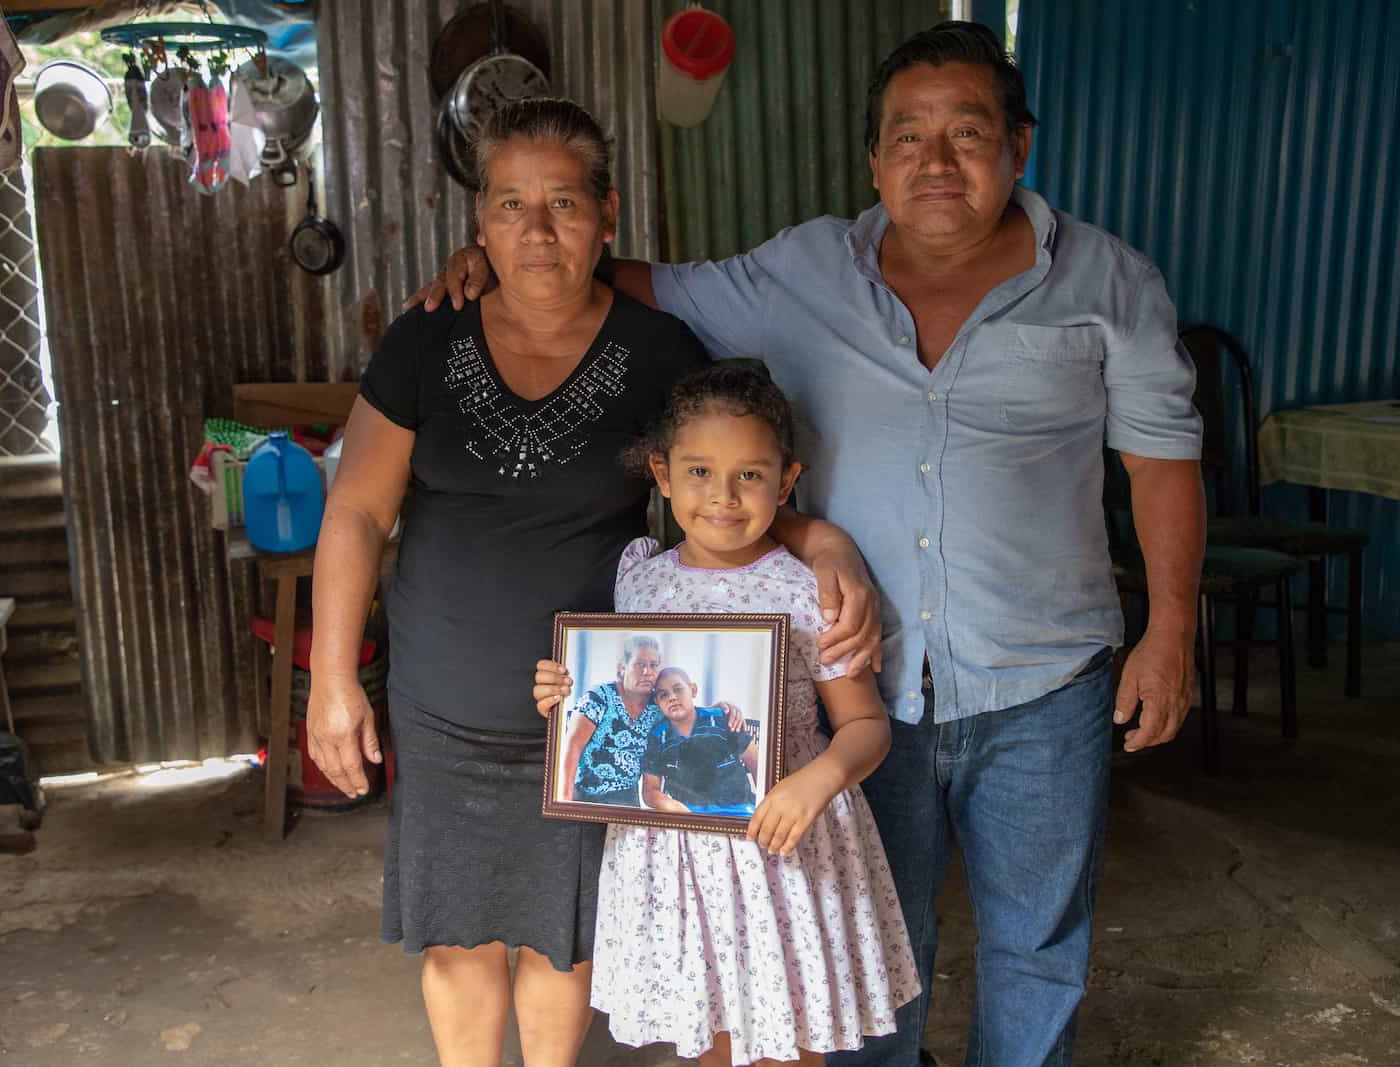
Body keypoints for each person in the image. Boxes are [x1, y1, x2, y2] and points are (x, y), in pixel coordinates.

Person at [424, 23, 1207, 1066]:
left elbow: (1161, 463)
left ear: (1018, 145)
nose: (935, 161)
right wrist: (513, 257)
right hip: (863, 672)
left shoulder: (1111, 285)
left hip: (1041, 680)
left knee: (1037, 941)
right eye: (907, 137)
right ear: (872, 160)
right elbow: (639, 283)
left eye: (965, 133)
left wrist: (1170, 632)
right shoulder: (802, 267)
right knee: (871, 940)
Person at [307, 98, 882, 1067]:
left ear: (606, 215)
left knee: (559, 928)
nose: (536, 230)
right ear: (480, 224)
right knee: (455, 931)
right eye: (509, 204)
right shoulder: (424, 343)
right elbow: (357, 512)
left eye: (563, 203)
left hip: (593, 718)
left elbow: (721, 475)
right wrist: (330, 676)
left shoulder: (658, 351)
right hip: (443, 700)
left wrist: (820, 538)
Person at [534, 364, 919, 1066]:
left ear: (787, 476)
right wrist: (564, 689)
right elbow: (625, 704)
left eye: (749, 475)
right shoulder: (638, 578)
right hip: (672, 855)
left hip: (782, 845)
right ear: (663, 472)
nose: (723, 496)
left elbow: (867, 726)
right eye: (701, 470)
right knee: (705, 1028)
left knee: (786, 1034)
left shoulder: (808, 590)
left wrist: (818, 779)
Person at [639, 666, 759, 816]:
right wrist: (681, 811)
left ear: (693, 690)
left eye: (678, 689)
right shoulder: (657, 737)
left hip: (740, 811)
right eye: (663, 695)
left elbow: (756, 763)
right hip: (688, 814)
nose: (672, 697)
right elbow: (650, 791)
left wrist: (765, 803)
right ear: (657, 701)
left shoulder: (722, 719)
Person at [562, 634, 664, 805]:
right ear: (623, 667)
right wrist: (564, 802)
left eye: (653, 665)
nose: (647, 672)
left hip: (626, 800)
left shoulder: (658, 708)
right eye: (639, 664)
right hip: (584, 796)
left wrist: (721, 708)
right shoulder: (599, 697)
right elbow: (573, 746)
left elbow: (687, 712)